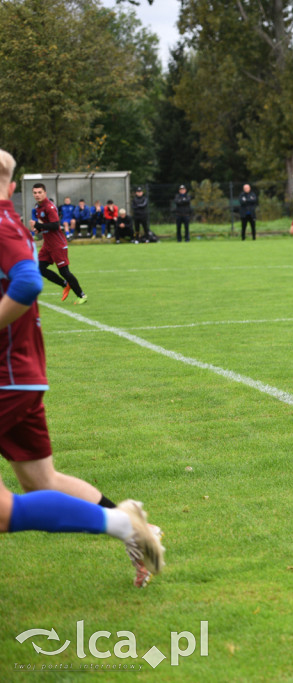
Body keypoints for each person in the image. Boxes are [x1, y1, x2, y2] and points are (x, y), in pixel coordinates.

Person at [0, 150, 164, 586]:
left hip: (7, 378)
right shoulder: (14, 220)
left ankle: (124, 524)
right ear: (15, 189)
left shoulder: (2, 224)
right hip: (19, 376)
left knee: (6, 508)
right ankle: (127, 524)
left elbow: (28, 281)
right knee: (42, 480)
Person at [30, 183, 87, 305]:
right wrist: (38, 229)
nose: (37, 195)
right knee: (39, 268)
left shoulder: (49, 207)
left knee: (64, 272)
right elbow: (46, 224)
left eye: (39, 192)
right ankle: (65, 284)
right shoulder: (37, 207)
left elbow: (55, 225)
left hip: (57, 244)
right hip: (48, 245)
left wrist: (38, 225)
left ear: (45, 193)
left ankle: (81, 295)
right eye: (35, 193)